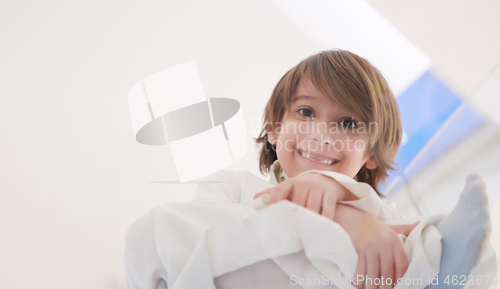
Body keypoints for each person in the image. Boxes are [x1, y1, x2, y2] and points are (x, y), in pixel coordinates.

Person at [124, 50, 497, 289]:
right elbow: (196, 250)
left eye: (348, 123)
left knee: (430, 243)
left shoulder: (382, 216)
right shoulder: (233, 185)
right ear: (274, 128)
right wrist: (335, 214)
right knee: (154, 230)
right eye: (306, 112)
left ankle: (432, 273)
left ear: (371, 154)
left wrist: (346, 206)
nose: (322, 134)